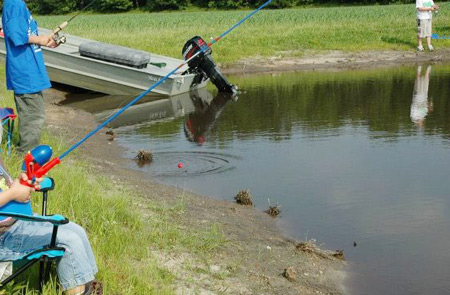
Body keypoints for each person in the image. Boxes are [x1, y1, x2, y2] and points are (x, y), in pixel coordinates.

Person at [0, 162, 99, 294]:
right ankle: (78, 290)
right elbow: (10, 193)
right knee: (69, 240)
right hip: (5, 238)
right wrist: (13, 193)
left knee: (77, 231)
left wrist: (24, 183)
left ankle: (89, 285)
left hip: (20, 221)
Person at [1, 0, 57, 154]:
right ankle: (26, 162)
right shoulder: (15, 3)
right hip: (25, 72)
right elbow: (16, 34)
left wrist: (45, 41)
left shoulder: (17, 4)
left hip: (29, 70)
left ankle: (26, 155)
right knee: (33, 118)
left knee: (32, 117)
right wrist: (40, 39)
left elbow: (24, 34)